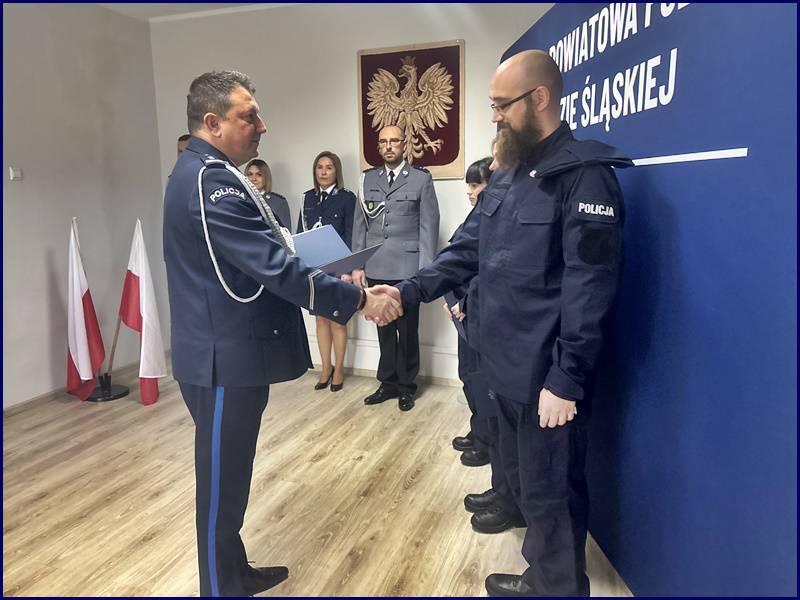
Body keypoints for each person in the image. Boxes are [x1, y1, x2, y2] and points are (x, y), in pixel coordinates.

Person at [390, 50, 632, 596]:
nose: (494, 116)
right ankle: (541, 577)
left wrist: (567, 377)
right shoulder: (508, 172)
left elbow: (591, 286)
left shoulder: (584, 177)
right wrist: (407, 292)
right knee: (524, 483)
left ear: (539, 98)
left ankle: (556, 588)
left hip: (545, 375)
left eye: (501, 105)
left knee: (550, 493)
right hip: (502, 363)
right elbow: (465, 251)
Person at [163, 70, 401, 597]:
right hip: (221, 360)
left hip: (229, 354)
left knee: (232, 476)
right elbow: (273, 267)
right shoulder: (211, 181)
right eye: (249, 116)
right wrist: (360, 299)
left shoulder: (211, 172)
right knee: (220, 486)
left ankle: (233, 573)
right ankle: (218, 588)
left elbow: (264, 255)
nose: (262, 125)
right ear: (212, 123)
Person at [351, 124, 440, 412]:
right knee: (383, 328)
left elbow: (429, 227)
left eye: (394, 141)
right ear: (379, 147)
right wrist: (357, 265)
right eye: (383, 142)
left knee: (408, 329)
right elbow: (360, 226)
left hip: (408, 269)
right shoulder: (367, 179)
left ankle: (406, 386)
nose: (389, 146)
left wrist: (425, 272)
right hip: (376, 265)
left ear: (404, 144)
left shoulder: (421, 179)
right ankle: (387, 383)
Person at [298, 151, 356, 392]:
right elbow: (300, 234)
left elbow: (352, 234)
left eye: (329, 167)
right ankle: (325, 367)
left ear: (336, 171)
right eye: (319, 167)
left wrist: (348, 269)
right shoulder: (307, 198)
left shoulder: (347, 198)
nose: (323, 171)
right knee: (320, 319)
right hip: (314, 269)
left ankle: (339, 369)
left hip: (338, 269)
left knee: (336, 319)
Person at [244, 158, 291, 230]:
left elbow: (285, 233)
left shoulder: (278, 202)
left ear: (266, 177)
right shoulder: (241, 199)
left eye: (259, 175)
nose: (254, 179)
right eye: (250, 174)